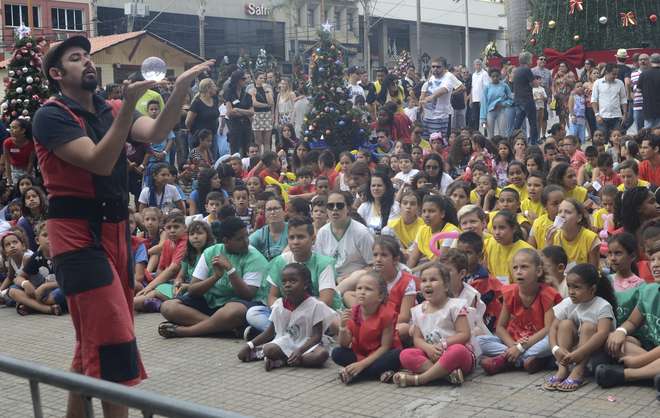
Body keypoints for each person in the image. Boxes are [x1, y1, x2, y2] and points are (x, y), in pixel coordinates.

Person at [32, 34, 212, 416]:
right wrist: (127, 107)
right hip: (77, 238)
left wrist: (180, 90)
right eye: (77, 58)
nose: (87, 62)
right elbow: (98, 161)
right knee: (115, 342)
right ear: (56, 73)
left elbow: (157, 132)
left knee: (91, 348)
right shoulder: (51, 114)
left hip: (115, 233)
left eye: (88, 56)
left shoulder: (109, 108)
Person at [158, 217, 269, 338]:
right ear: (226, 241)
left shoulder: (254, 257)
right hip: (213, 303)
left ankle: (186, 331)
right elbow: (193, 290)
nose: (246, 241)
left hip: (239, 305)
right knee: (168, 307)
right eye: (240, 239)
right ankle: (224, 328)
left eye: (246, 236)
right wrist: (215, 277)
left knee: (233, 311)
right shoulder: (211, 252)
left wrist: (231, 271)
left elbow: (248, 295)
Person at [244, 216, 342, 335]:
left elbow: (325, 301)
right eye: (291, 237)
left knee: (334, 321)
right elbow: (272, 297)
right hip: (288, 312)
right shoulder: (281, 261)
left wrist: (299, 312)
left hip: (314, 313)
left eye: (300, 237)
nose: (295, 242)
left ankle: (277, 334)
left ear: (313, 239)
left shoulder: (324, 263)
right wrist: (285, 310)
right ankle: (291, 334)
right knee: (253, 313)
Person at [477, 249, 562, 375]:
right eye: (515, 268)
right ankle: (527, 360)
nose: (518, 272)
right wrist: (513, 347)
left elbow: (548, 329)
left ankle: (503, 360)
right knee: (479, 341)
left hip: (537, 340)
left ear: (538, 271)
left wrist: (520, 348)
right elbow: (500, 328)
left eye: (524, 267)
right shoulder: (510, 292)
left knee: (552, 340)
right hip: (515, 340)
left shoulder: (547, 294)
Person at [238, 263, 336, 370]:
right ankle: (278, 357)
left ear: (305, 284)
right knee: (269, 349)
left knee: (321, 355)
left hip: (308, 344)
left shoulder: (316, 305)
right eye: (284, 282)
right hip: (286, 341)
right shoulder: (279, 305)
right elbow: (270, 332)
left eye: (293, 281)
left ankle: (281, 360)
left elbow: (316, 336)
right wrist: (250, 345)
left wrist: (300, 351)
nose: (287, 285)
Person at [395, 262, 474, 387]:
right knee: (406, 354)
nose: (427, 284)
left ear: (446, 286)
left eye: (433, 280)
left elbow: (464, 334)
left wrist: (443, 345)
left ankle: (420, 379)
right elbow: (417, 338)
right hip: (431, 355)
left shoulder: (455, 306)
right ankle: (446, 375)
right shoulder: (418, 311)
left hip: (455, 356)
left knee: (458, 350)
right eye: (424, 280)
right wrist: (428, 348)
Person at [596, 241, 660, 390]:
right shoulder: (649, 291)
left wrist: (638, 361)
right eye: (653, 260)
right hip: (651, 351)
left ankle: (627, 375)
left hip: (648, 356)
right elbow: (632, 322)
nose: (655, 265)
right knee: (613, 341)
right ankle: (652, 374)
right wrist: (620, 332)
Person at [545, 264, 616, 392]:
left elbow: (603, 333)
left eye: (577, 287)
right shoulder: (568, 303)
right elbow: (553, 328)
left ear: (592, 289)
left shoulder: (602, 306)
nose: (571, 291)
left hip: (597, 354)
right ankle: (562, 369)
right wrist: (556, 349)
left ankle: (578, 371)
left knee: (588, 327)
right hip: (573, 354)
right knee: (565, 324)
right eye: (569, 286)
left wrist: (581, 352)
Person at [332, 272, 402, 384]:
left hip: (381, 355)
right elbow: (344, 344)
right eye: (359, 288)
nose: (362, 292)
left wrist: (361, 365)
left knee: (397, 355)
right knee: (337, 353)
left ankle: (356, 374)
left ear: (380, 296)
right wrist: (342, 327)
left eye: (368, 289)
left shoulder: (387, 314)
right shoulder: (354, 311)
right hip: (361, 353)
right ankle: (376, 373)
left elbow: (385, 347)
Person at [7, 223, 65, 315]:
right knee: (12, 291)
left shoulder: (64, 255)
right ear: (37, 240)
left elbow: (72, 280)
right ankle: (47, 309)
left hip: (57, 290)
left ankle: (31, 306)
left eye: (53, 234)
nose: (50, 238)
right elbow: (18, 278)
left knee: (60, 294)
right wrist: (25, 283)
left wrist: (45, 286)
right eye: (45, 235)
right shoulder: (37, 256)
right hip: (40, 293)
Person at [315, 192, 374, 279]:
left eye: (339, 206)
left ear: (348, 209)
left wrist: (349, 277)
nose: (335, 209)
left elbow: (373, 265)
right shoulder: (322, 232)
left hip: (355, 280)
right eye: (331, 206)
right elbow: (319, 263)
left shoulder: (361, 232)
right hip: (329, 279)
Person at [484, 210, 533, 284]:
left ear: (514, 229)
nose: (497, 232)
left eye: (502, 228)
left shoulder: (526, 251)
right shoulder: (488, 244)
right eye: (494, 228)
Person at [420, 57, 463, 139]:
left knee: (438, 141)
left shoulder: (448, 77)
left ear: (444, 68)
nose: (435, 69)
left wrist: (432, 97)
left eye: (438, 67)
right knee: (426, 141)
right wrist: (422, 109)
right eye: (433, 67)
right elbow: (425, 89)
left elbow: (447, 89)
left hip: (441, 117)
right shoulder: (432, 77)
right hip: (428, 116)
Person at [186, 78, 221, 159]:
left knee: (213, 159)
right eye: (214, 86)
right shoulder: (197, 103)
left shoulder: (215, 100)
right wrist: (193, 132)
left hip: (212, 136)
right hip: (199, 138)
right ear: (208, 88)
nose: (216, 88)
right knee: (198, 161)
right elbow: (188, 122)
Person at [591, 63, 627, 138]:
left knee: (617, 140)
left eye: (617, 74)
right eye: (613, 74)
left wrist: (625, 115)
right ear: (607, 72)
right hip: (602, 117)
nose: (615, 76)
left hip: (617, 117)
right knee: (603, 140)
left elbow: (623, 99)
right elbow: (594, 99)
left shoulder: (620, 83)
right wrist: (597, 115)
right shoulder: (597, 83)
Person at [224, 70, 254, 156]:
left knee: (247, 149)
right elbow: (229, 112)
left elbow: (252, 112)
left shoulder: (247, 95)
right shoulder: (229, 93)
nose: (245, 81)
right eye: (243, 79)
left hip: (246, 125)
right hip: (234, 126)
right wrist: (246, 112)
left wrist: (238, 110)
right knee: (235, 151)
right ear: (237, 80)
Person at [511, 51, 539, 144]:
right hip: (527, 99)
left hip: (518, 99)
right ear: (528, 60)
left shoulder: (516, 70)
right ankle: (534, 142)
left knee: (518, 123)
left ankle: (512, 140)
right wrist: (537, 82)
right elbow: (535, 84)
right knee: (533, 122)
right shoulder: (527, 70)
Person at [249, 196, 288, 261]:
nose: (272, 212)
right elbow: (246, 247)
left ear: (284, 211)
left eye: (276, 209)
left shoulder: (293, 230)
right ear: (265, 214)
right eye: (269, 210)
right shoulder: (260, 234)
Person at [480, 68, 513, 137]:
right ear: (490, 77)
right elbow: (484, 103)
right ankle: (491, 146)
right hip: (490, 112)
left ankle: (503, 147)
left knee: (502, 133)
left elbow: (511, 99)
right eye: (493, 76)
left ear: (500, 76)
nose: (495, 78)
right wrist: (483, 118)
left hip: (501, 111)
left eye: (497, 76)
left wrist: (504, 104)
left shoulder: (504, 86)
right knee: (490, 134)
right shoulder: (487, 87)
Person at [2, 119, 35, 187]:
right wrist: (9, 179)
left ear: (23, 130)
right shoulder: (7, 143)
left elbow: (31, 162)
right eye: (10, 127)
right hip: (14, 169)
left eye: (14, 128)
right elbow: (7, 162)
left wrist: (26, 177)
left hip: (28, 169)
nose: (11, 130)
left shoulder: (31, 143)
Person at [248, 72, 274, 154]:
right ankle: (258, 157)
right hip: (257, 115)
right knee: (258, 141)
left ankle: (267, 158)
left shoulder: (268, 89)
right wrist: (267, 105)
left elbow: (271, 102)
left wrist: (266, 91)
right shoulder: (252, 89)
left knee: (267, 141)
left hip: (267, 115)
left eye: (264, 78)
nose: (263, 80)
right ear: (256, 79)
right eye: (260, 78)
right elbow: (255, 103)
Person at [637, 53, 660, 129]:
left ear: (650, 61)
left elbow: (638, 90)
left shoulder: (644, 74)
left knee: (647, 133)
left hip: (648, 108)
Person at [469, 59, 490, 130]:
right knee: (475, 117)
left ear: (481, 65)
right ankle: (476, 132)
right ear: (474, 66)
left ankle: (485, 131)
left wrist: (483, 100)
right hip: (475, 99)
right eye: (476, 64)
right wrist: (471, 99)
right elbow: (472, 87)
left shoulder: (484, 74)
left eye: (479, 64)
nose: (478, 66)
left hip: (482, 100)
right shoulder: (473, 75)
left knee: (483, 117)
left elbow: (486, 87)